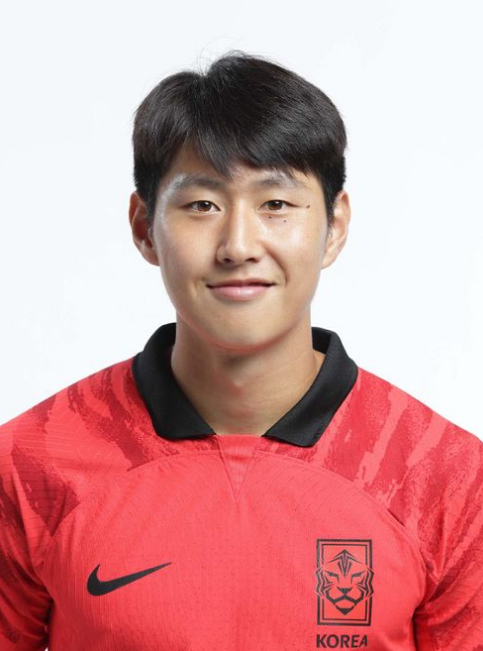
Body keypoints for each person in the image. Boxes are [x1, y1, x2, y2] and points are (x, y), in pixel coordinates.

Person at [0, 50, 482, 651]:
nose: (238, 245)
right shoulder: (28, 466)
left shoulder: (445, 476)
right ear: (144, 227)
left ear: (334, 226)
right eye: (202, 205)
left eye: (275, 204)